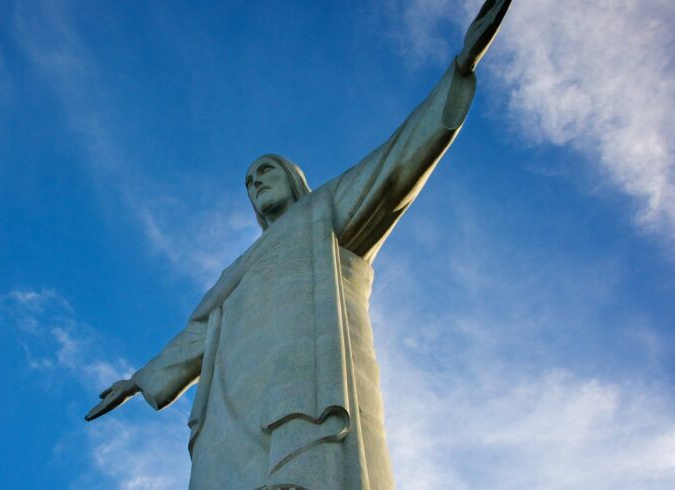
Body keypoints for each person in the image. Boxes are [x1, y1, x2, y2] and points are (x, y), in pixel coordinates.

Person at [85, 1, 512, 488]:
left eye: (265, 171)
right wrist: (140, 379)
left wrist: (459, 70)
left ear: (294, 179)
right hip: (234, 408)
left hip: (301, 387)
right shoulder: (237, 270)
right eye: (248, 181)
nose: (255, 182)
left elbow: (395, 164)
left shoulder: (323, 210)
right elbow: (200, 334)